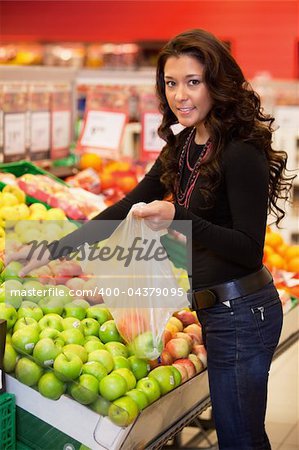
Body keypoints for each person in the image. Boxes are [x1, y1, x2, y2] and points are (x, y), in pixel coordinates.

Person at [8, 29, 295, 449]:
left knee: (241, 438)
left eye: (193, 82)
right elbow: (126, 205)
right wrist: (52, 249)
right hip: (215, 309)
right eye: (171, 82)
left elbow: (249, 250)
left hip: (244, 311)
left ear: (217, 82)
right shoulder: (182, 146)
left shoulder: (240, 150)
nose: (181, 95)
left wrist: (179, 216)